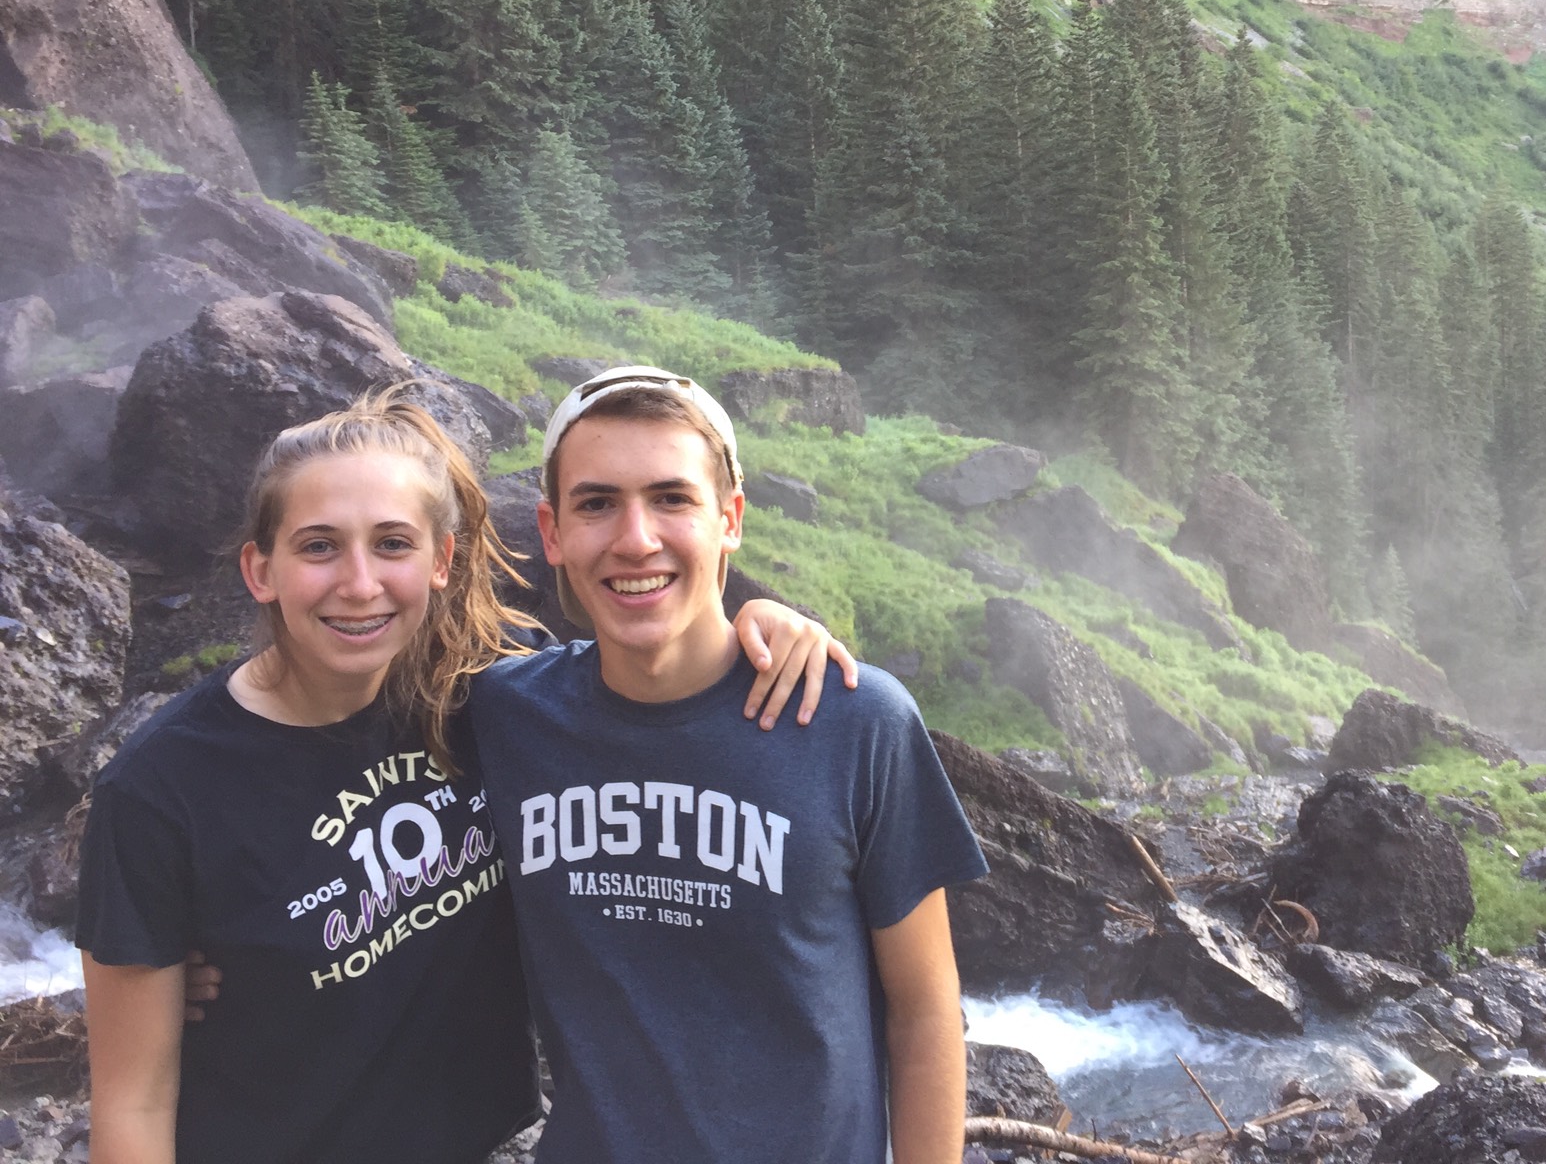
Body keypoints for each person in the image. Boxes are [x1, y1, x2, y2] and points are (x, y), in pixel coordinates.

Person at [75, 386, 851, 1164]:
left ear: (441, 561)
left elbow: (646, 689)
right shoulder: (163, 788)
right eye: (318, 547)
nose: (359, 583)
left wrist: (761, 630)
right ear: (260, 569)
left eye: (392, 544)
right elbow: (133, 1102)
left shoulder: (494, 698)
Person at [466, 366, 988, 1163]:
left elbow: (924, 1013)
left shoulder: (854, 721)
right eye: (597, 503)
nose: (635, 538)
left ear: (730, 518)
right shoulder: (505, 715)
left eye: (671, 498)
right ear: (552, 532)